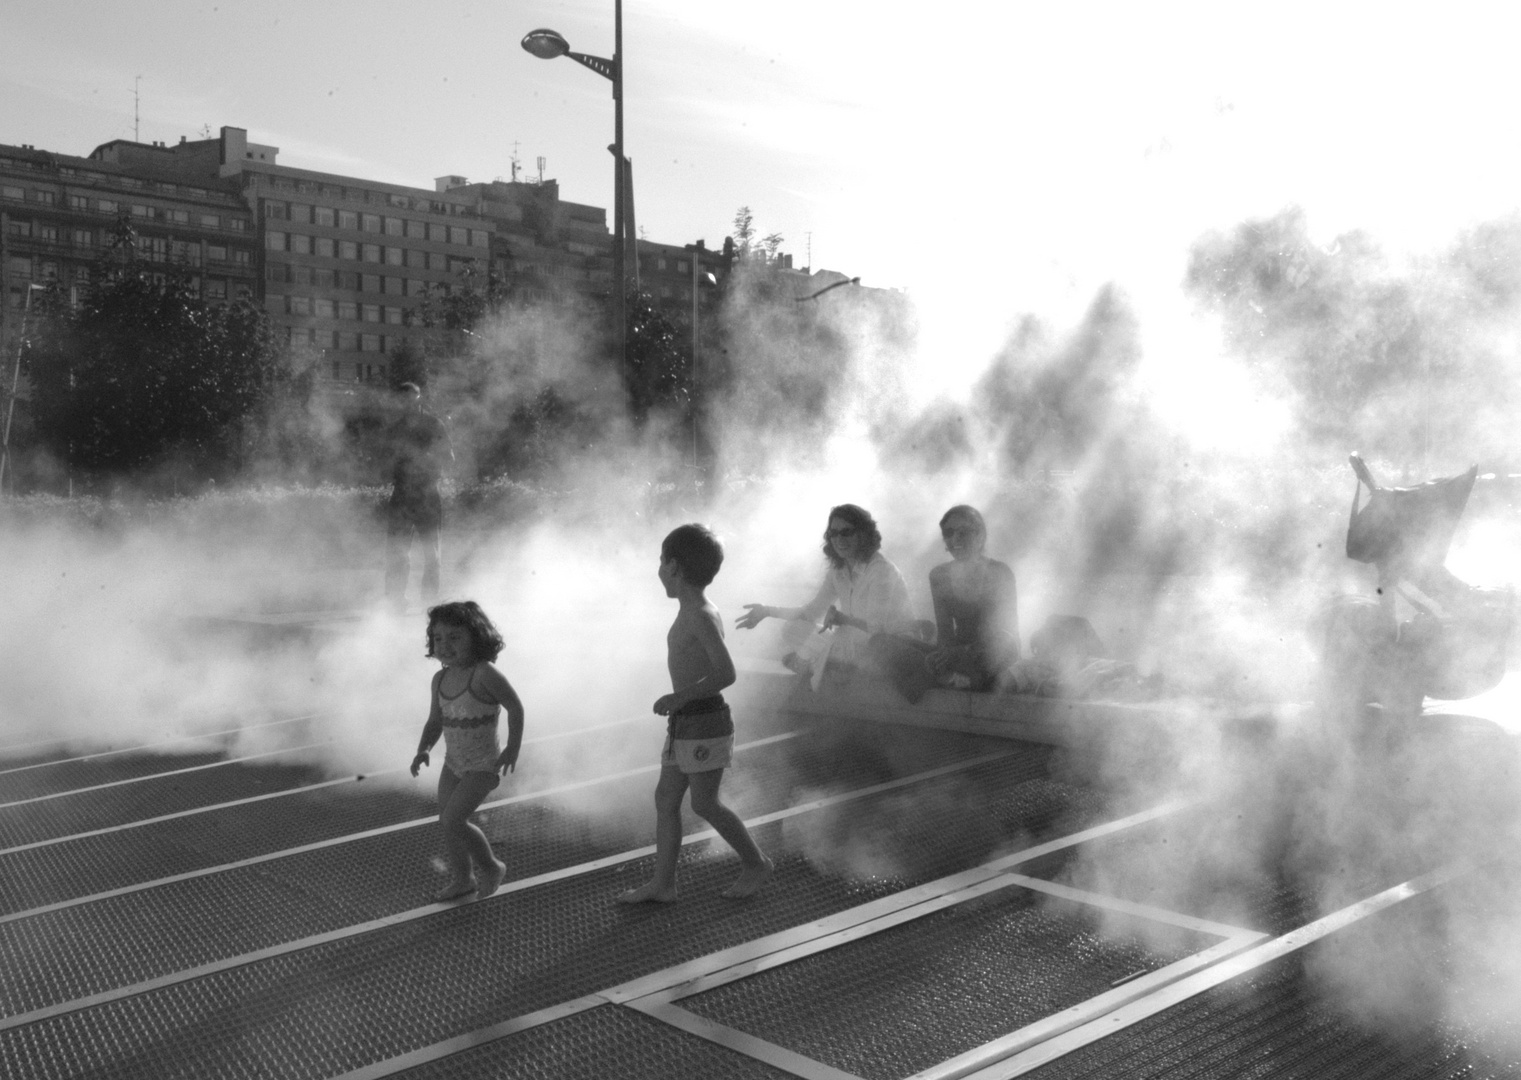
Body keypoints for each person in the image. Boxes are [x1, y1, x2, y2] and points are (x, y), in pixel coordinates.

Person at [619, 524, 774, 903]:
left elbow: (726, 672)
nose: (658, 570)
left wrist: (679, 697)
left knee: (704, 803)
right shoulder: (691, 610)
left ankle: (756, 863)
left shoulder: (700, 615)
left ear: (673, 566)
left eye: (660, 561)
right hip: (687, 721)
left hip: (703, 719)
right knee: (666, 799)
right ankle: (663, 884)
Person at [410, 601, 525, 902]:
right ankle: (464, 879)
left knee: (453, 820)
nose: (445, 645)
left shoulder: (484, 674)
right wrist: (423, 749)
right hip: (454, 762)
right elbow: (435, 721)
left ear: (476, 637)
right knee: (447, 822)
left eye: (455, 637)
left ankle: (492, 866)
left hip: (483, 765)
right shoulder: (440, 679)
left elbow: (515, 707)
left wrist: (513, 747)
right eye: (438, 638)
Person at [735, 504, 916, 689]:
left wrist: (843, 619)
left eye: (846, 532)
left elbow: (877, 629)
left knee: (838, 642)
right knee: (791, 629)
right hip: (850, 645)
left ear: (863, 534)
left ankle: (811, 662)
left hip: (887, 649)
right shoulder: (838, 571)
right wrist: (766, 611)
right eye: (833, 534)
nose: (839, 539)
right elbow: (811, 612)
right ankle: (824, 663)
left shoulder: (880, 570)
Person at [925, 505, 1019, 689]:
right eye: (949, 533)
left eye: (963, 532)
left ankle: (960, 678)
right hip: (958, 656)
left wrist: (961, 653)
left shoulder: (1000, 572)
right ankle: (961, 678)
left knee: (1002, 646)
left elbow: (1007, 632)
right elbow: (945, 632)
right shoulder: (938, 575)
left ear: (980, 536)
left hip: (993, 654)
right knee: (884, 644)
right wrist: (943, 656)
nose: (955, 539)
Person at [385, 382, 453, 611]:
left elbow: (449, 457)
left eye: (411, 399)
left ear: (418, 398)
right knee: (397, 551)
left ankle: (430, 601)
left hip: (427, 494)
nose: (407, 404)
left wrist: (425, 461)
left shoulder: (434, 424)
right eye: (403, 400)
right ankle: (395, 600)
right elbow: (383, 462)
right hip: (402, 493)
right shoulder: (394, 429)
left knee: (431, 553)